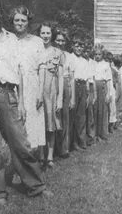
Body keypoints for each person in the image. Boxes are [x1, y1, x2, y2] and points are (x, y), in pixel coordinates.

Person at [0, 0, 52, 206]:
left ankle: (36, 186)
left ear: (1, 15)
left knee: (21, 143)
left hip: (9, 93)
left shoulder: (10, 38)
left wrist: (21, 101)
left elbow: (20, 72)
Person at [10, 6, 46, 158]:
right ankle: (15, 164)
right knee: (15, 124)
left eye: (23, 20)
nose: (20, 23)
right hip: (12, 86)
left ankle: (33, 163)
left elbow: (42, 68)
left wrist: (40, 92)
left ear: (28, 22)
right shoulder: (8, 40)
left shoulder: (37, 41)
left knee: (32, 124)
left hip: (32, 86)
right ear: (12, 22)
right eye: (17, 20)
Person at [38, 22, 64, 167]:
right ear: (39, 34)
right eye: (43, 33)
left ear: (52, 35)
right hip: (38, 90)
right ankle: (40, 154)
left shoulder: (57, 52)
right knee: (40, 122)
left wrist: (60, 99)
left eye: (48, 33)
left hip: (52, 91)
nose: (45, 36)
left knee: (51, 123)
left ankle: (49, 156)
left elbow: (60, 77)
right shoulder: (35, 50)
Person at [53, 27, 75, 158]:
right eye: (57, 40)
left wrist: (72, 98)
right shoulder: (50, 52)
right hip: (52, 84)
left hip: (65, 85)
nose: (60, 43)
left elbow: (71, 78)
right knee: (54, 117)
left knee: (65, 117)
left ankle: (64, 148)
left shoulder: (69, 56)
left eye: (62, 40)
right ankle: (53, 148)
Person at [70, 35, 94, 149]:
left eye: (81, 47)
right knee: (73, 115)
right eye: (77, 46)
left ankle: (81, 140)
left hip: (83, 87)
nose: (79, 49)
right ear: (72, 47)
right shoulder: (70, 58)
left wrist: (88, 93)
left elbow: (89, 78)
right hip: (74, 85)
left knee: (82, 115)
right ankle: (73, 142)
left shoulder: (85, 61)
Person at [93, 44, 112, 140]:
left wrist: (108, 94)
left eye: (99, 54)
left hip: (103, 87)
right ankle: (94, 134)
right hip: (94, 87)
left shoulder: (106, 64)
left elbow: (108, 80)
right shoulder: (92, 63)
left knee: (103, 111)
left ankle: (102, 133)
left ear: (102, 55)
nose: (97, 56)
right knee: (95, 110)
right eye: (96, 54)